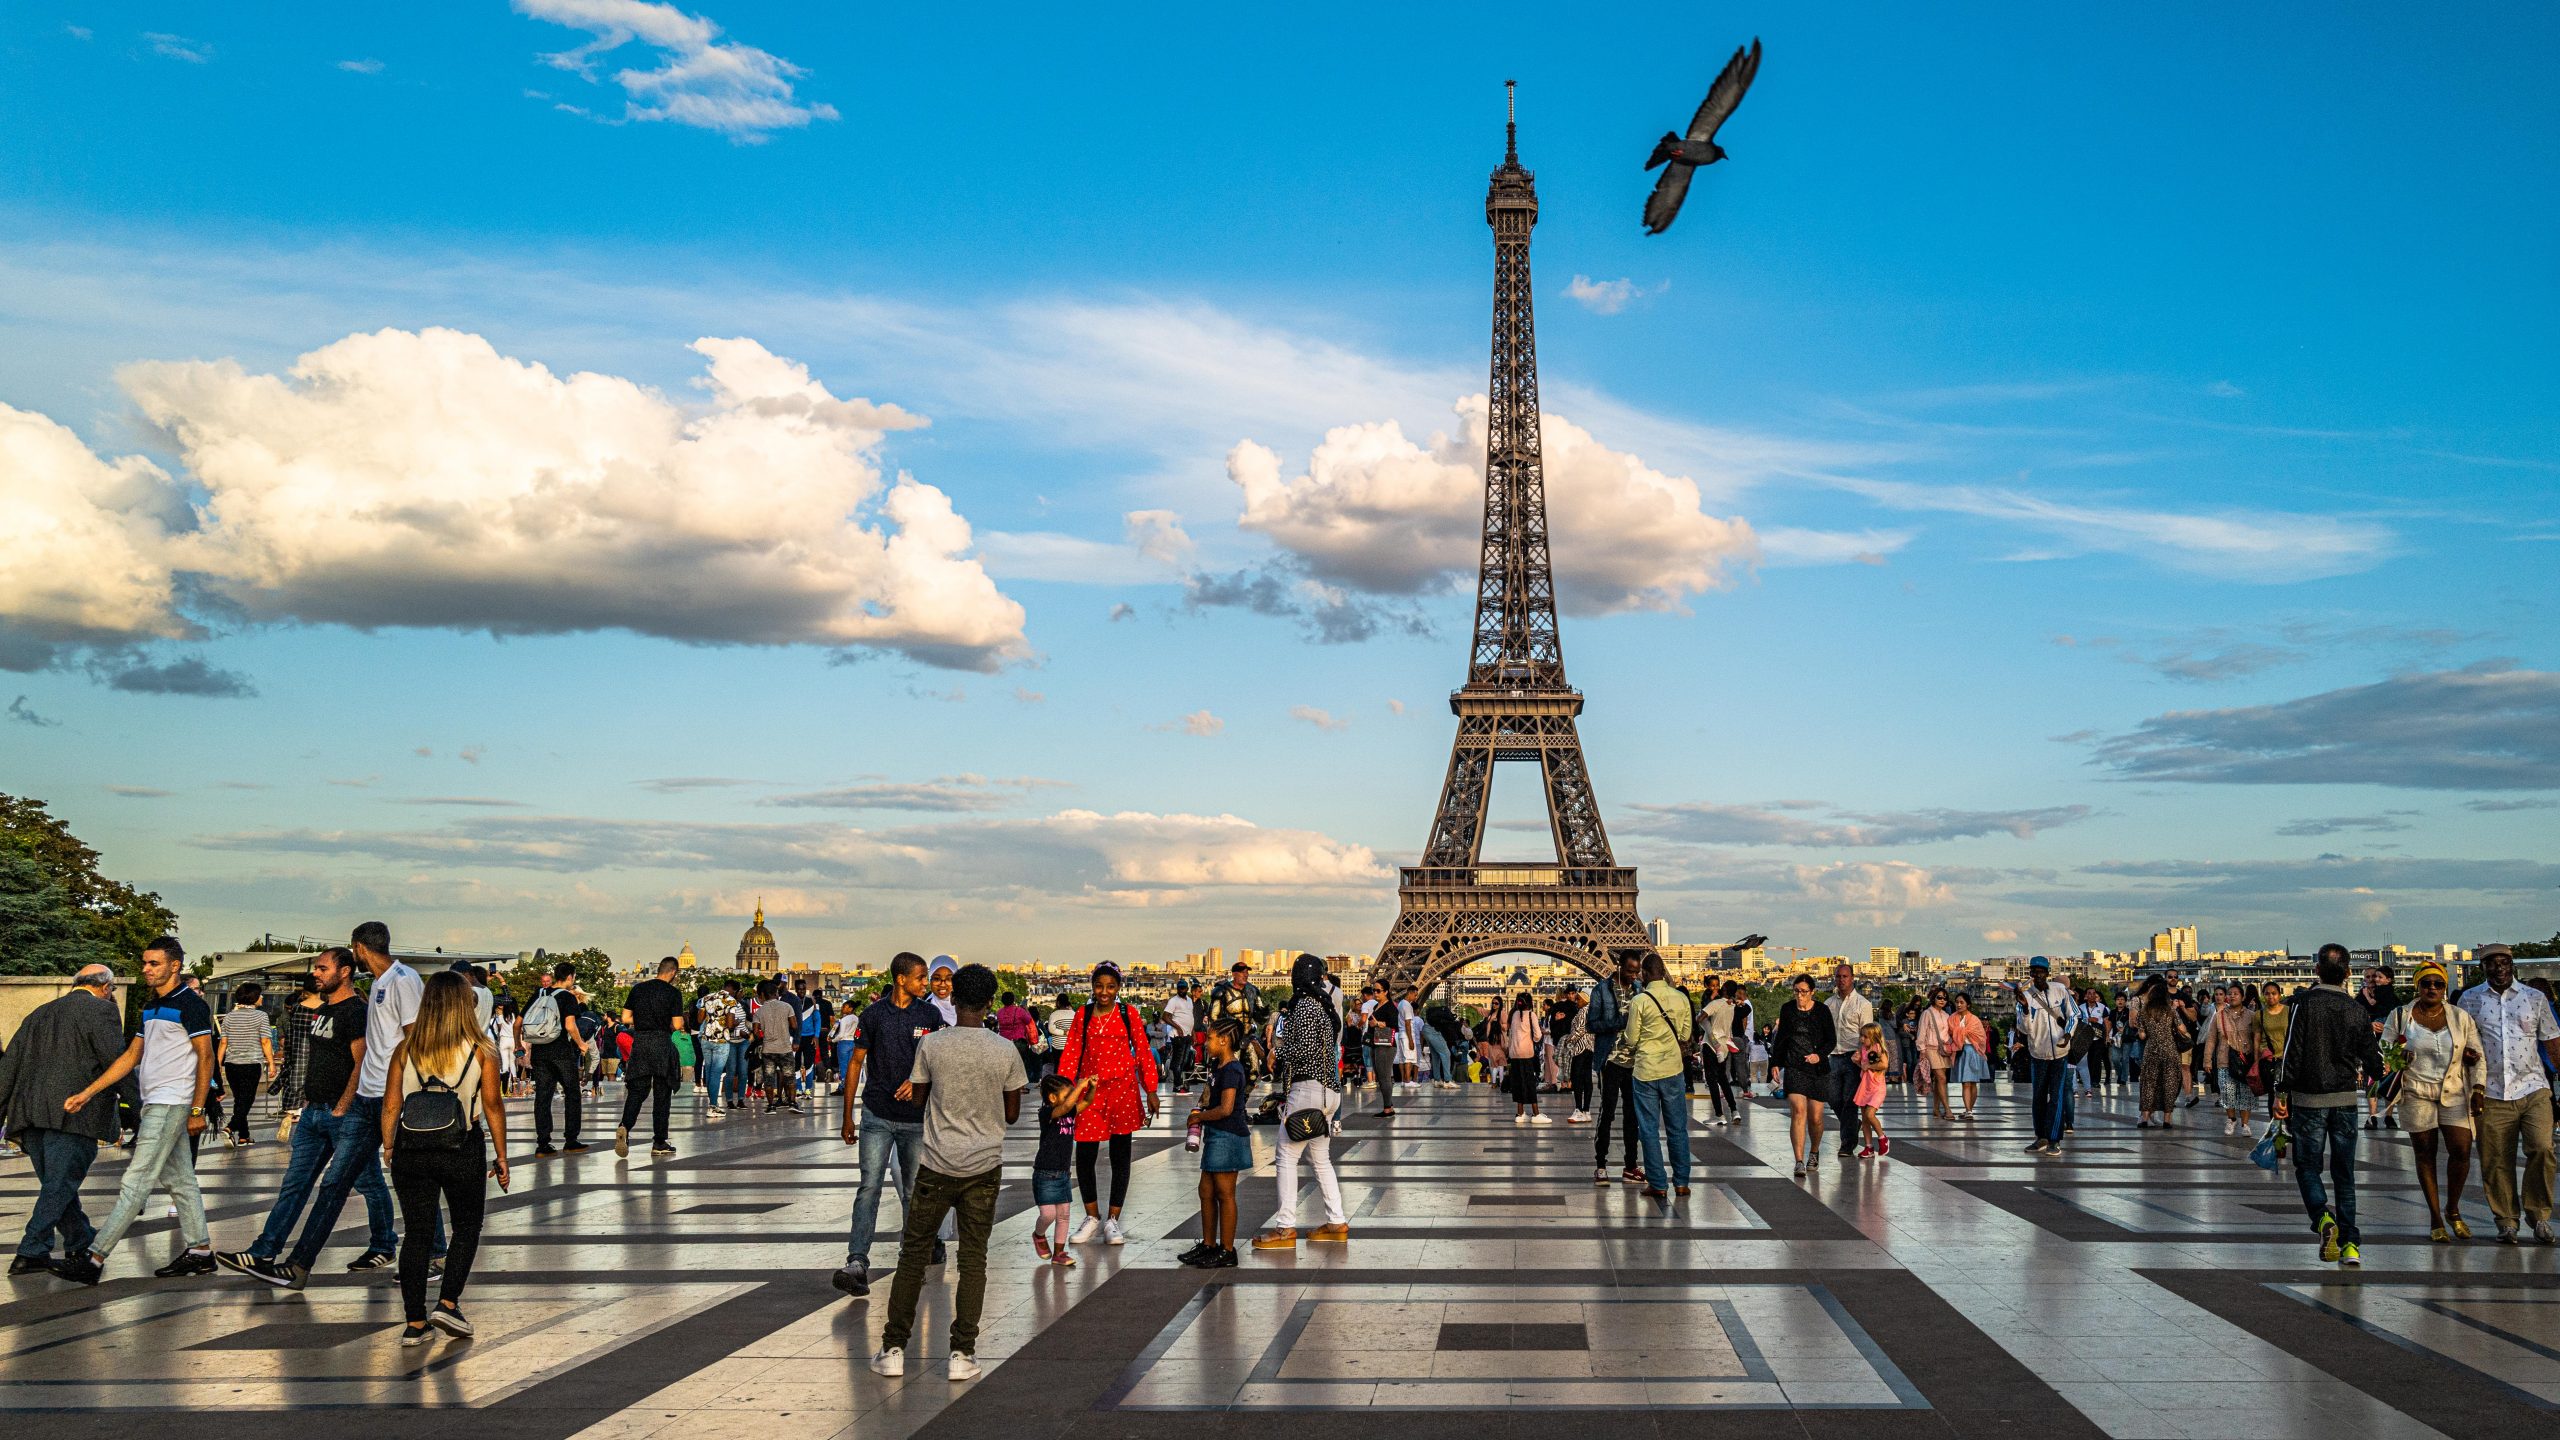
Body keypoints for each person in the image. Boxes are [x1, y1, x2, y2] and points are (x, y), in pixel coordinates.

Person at [868, 963, 1025, 1384]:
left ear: (953, 999)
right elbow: (1012, 1114)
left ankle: (894, 1347)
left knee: (913, 1256)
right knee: (973, 1260)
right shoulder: (1005, 1050)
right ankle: (962, 1352)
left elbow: (918, 1100)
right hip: (983, 1167)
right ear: (991, 1003)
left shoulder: (933, 1045)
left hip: (936, 1165)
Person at [216, 947, 397, 1287]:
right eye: (316, 967)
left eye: (322, 967)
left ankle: (382, 1243)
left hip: (344, 1114)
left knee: (358, 1184)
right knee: (296, 1185)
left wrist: (344, 1104)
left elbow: (362, 1061)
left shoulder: (356, 1011)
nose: (316, 973)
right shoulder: (323, 1010)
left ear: (344, 971)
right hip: (314, 1112)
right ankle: (263, 1251)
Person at [52, 938, 213, 1283]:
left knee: (135, 1181)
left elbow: (207, 1057)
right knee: (181, 1181)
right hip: (156, 1101)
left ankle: (94, 1259)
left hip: (172, 1102)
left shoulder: (191, 1005)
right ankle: (200, 1252)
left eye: (154, 963)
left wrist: (197, 1109)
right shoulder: (152, 1006)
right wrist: (86, 1094)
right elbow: (129, 1058)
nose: (146, 969)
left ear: (175, 966)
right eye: (145, 963)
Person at [377, 969, 506, 1343]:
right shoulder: (482, 1050)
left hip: (411, 1148)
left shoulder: (407, 1049)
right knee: (467, 1226)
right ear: (467, 1005)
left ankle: (414, 1323)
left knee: (417, 1234)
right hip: (461, 1146)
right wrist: (502, 1156)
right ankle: (448, 1304)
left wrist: (389, 1146)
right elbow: (494, 1106)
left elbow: (391, 1104)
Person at [0, 964, 128, 1276]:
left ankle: (79, 1238)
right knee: (59, 1184)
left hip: (30, 1115)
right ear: (105, 987)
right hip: (74, 1115)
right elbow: (119, 1064)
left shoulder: (39, 1013)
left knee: (57, 1185)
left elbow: (8, 1067)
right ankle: (32, 1250)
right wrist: (138, 1111)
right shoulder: (102, 1012)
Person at [834, 953, 944, 1297]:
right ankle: (857, 1262)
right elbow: (855, 1063)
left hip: (914, 1119)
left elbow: (939, 1062)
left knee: (914, 1191)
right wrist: (847, 1115)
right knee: (869, 1187)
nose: (926, 983)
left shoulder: (930, 1015)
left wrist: (918, 1079)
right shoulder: (874, 1014)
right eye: (920, 977)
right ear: (901, 979)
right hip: (877, 1115)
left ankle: (913, 1258)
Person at [2270, 943, 2386, 1267]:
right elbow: (2372, 1059)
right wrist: (2381, 1069)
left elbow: (2292, 1052)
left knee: (2307, 1167)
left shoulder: (2303, 1005)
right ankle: (2351, 1246)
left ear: (2317, 970)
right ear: (2348, 973)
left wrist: (2282, 1094)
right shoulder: (2356, 1009)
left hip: (2309, 1100)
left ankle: (2323, 1219)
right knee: (2344, 1173)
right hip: (2346, 1100)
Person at [2456, 942, 2560, 1244]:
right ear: (2483, 968)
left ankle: (2538, 1214)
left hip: (2533, 1087)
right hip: (2489, 1091)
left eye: (2504, 963)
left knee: (2542, 1149)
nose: (2498, 969)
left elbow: (2552, 1040)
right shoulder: (2470, 1000)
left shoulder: (2534, 998)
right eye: (2491, 964)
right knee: (2495, 1158)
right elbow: (2461, 1043)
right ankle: (2506, 1220)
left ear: (2512, 966)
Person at [1253, 953, 1350, 1249]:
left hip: (1308, 1090)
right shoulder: (1323, 1005)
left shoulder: (1306, 1004)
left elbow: (1305, 1049)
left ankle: (1285, 1228)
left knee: (1285, 1155)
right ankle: (1336, 1221)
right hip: (1328, 1091)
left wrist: (1276, 1053)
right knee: (1320, 1160)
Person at [1060, 962, 1159, 1243]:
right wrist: (1065, 1089)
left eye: (1110, 987)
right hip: (1091, 1092)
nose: (1104, 992)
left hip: (1122, 1092)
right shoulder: (1084, 1014)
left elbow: (1142, 1051)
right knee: (1086, 1154)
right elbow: (1072, 1051)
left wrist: (1150, 1089)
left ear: (1118, 988)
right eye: (1099, 986)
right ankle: (1092, 1216)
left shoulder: (1129, 1014)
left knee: (1120, 1155)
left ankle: (1113, 1220)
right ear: (1093, 987)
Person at [2385, 960, 2484, 1241]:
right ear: (2418, 986)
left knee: (2462, 1150)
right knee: (2425, 1154)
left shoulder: (2459, 1017)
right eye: (2426, 983)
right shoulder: (2402, 1015)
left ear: (2444, 988)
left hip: (2453, 1090)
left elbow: (2477, 1052)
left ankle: (2453, 1208)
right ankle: (2436, 1217)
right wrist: (2396, 1057)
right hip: (2416, 1091)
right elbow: (2384, 1050)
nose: (2432, 988)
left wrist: (2478, 1087)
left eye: (2438, 984)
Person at [1623, 954, 1694, 1199]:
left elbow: (1631, 1039)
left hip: (1646, 1071)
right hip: (1673, 1069)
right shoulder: (1681, 998)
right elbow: (1685, 1035)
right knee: (1677, 1129)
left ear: (1643, 974)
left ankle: (1658, 1183)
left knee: (1649, 1130)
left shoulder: (1639, 1001)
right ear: (1663, 971)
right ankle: (1682, 1182)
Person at [1183, 1020, 1250, 1267]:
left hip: (1228, 1135)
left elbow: (1226, 1108)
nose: (1206, 1043)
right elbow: (1210, 1097)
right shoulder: (1218, 1067)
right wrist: (1200, 1107)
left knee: (1225, 1193)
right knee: (1206, 1191)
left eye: (1210, 1038)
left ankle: (1227, 1249)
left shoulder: (1232, 1069)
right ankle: (1209, 1244)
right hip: (1216, 1134)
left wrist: (1199, 1117)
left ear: (1224, 1040)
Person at [613, 957, 686, 1159]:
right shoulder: (673, 993)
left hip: (641, 1043)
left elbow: (626, 1018)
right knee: (662, 1095)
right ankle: (659, 1142)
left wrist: (644, 1020)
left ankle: (624, 1126)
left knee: (637, 1090)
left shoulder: (638, 989)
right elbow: (678, 1025)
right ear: (673, 972)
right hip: (661, 1043)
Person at [520, 961, 591, 1154]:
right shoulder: (567, 997)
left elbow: (519, 1022)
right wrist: (581, 1044)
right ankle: (571, 1140)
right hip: (561, 1052)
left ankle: (543, 1144)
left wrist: (520, 1046)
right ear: (570, 977)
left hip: (540, 1053)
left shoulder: (540, 993)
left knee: (543, 1097)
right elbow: (569, 1026)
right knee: (572, 1093)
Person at [1772, 974, 1836, 1177]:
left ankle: (1814, 1151)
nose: (1800, 996)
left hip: (1818, 1070)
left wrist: (1819, 1055)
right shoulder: (1788, 1009)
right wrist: (1775, 1063)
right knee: (1799, 1111)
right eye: (1797, 991)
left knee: (1816, 1117)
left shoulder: (1823, 1011)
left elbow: (1831, 1040)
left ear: (1812, 992)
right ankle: (1799, 1160)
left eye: (1804, 992)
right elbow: (1781, 1038)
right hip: (1795, 1066)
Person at [2012, 957, 2077, 1157]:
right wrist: (2023, 1008)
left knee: (2056, 1096)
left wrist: (2068, 1034)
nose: (2038, 975)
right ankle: (2041, 1136)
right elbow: (2024, 1028)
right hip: (2038, 1053)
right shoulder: (2026, 995)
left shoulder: (2060, 990)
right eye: (2034, 972)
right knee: (2038, 1097)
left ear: (2047, 973)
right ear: (2030, 973)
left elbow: (2073, 1014)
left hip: (2060, 1052)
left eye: (2041, 972)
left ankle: (2054, 1139)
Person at [1588, 950, 1642, 1184]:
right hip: (1610, 1060)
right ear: (1619, 966)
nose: (1634, 975)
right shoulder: (1602, 989)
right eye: (1630, 971)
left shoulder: (1640, 990)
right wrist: (1617, 1023)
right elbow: (1592, 1024)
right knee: (1607, 1112)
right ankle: (1601, 1164)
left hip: (1635, 1062)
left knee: (1633, 1116)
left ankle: (1631, 1165)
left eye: (1637, 971)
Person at [1030, 1073, 1095, 1264]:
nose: (1072, 1099)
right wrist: (1079, 1087)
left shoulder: (1070, 1112)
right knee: (1048, 1214)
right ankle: (1039, 1235)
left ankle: (1059, 1253)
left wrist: (1091, 1087)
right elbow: (1066, 1106)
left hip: (1063, 1173)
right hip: (1045, 1173)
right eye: (1068, 1094)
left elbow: (1087, 1102)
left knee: (1064, 1215)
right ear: (1052, 1098)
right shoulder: (1047, 1113)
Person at [215, 983, 276, 1147]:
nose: (262, 998)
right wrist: (271, 1064)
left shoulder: (228, 1017)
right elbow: (265, 1041)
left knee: (239, 1100)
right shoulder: (261, 1016)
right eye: (260, 995)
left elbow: (223, 1043)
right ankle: (230, 1128)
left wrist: (218, 1064)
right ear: (254, 997)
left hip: (232, 1065)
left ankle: (244, 1136)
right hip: (251, 1064)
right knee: (246, 1100)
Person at [1822, 964, 1872, 1161]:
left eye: (1844, 976)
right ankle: (1851, 1125)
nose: (1841, 980)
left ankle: (1847, 1143)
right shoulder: (1828, 1004)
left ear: (1852, 978)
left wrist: (1863, 1056)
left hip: (1853, 1057)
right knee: (1834, 1098)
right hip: (1834, 1055)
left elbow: (1867, 1034)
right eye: (1838, 976)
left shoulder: (1863, 1004)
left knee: (1849, 1101)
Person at [2203, 983, 2260, 1136]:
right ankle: (2231, 1118)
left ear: (2243, 997)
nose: (2233, 996)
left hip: (2245, 1061)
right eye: (2230, 993)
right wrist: (2207, 1060)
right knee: (2227, 1092)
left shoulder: (2251, 1015)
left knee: (2246, 1093)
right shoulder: (2219, 1015)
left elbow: (2257, 1038)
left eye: (2236, 993)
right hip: (2224, 1060)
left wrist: (2257, 1060)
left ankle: (2245, 1124)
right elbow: (2211, 1039)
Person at [1502, 991, 1548, 1123]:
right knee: (1529, 1082)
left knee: (1517, 1083)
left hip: (1514, 1054)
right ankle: (1536, 1113)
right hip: (1526, 1053)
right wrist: (1532, 1039)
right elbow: (1538, 1035)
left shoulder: (1513, 1014)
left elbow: (1510, 1034)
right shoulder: (1531, 1015)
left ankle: (1520, 1113)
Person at [754, 981, 800, 1112]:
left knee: (769, 1079)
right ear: (777, 993)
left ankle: (771, 1106)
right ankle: (792, 1103)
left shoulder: (759, 1011)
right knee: (789, 1077)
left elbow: (756, 1032)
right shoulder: (787, 1007)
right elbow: (794, 1025)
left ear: (763, 995)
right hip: (785, 1048)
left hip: (768, 1050)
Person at [1946, 993, 1990, 1118]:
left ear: (1968, 1005)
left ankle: (1969, 1109)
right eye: (1957, 1002)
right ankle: (1968, 1110)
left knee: (1973, 1082)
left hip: (1973, 1052)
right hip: (1960, 1052)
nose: (1958, 1004)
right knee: (1965, 1083)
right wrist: (1960, 1034)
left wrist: (1959, 1032)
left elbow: (1981, 1037)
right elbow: (1948, 1033)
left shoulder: (1974, 1020)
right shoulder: (1952, 1018)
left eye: (1961, 1002)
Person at [1361, 983, 1400, 1117]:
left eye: (1378, 991)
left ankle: (1387, 1108)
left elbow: (1395, 1026)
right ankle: (1389, 1105)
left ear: (1386, 992)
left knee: (1384, 1077)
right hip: (1376, 1044)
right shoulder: (1376, 1006)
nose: (1375, 993)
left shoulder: (1391, 1007)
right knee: (1381, 1076)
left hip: (1386, 1046)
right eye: (1374, 991)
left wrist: (1377, 1024)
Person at [1855, 1021, 1891, 1158]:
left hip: (1877, 1087)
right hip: (1865, 1086)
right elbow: (1865, 1067)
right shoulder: (1864, 1049)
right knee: (1864, 1119)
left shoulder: (1879, 1049)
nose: (1861, 1039)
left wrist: (1868, 1066)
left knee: (1870, 1114)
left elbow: (1884, 1064)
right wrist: (1858, 1062)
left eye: (1865, 1037)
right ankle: (1868, 1147)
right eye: (1861, 1036)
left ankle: (1882, 1138)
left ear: (1874, 1037)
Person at [1916, 987, 1954, 1118]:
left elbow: (1947, 1033)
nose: (1942, 1000)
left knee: (1940, 1081)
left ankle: (1936, 1108)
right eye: (1939, 997)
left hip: (1943, 1050)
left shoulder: (1946, 1015)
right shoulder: (1927, 1013)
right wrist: (1922, 1050)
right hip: (1931, 1049)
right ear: (1933, 998)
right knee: (1941, 1078)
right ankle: (1947, 1109)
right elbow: (1921, 1032)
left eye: (1945, 998)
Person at [1562, 989, 1597, 1123]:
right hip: (1589, 1047)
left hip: (1580, 1048)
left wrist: (1569, 1039)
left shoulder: (1584, 1011)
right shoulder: (1591, 1010)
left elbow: (1581, 1029)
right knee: (1587, 1078)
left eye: (1578, 999)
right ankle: (1586, 1110)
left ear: (1585, 999)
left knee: (1577, 1078)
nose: (1576, 1001)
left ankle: (1578, 1109)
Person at [995, 990, 1042, 1085]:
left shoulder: (999, 1012)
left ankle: (1007, 1083)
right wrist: (1025, 1009)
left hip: (1003, 1041)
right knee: (1021, 1064)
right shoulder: (1019, 1011)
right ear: (1013, 1000)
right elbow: (1029, 1020)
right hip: (1019, 1041)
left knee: (1007, 1064)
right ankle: (1020, 1086)